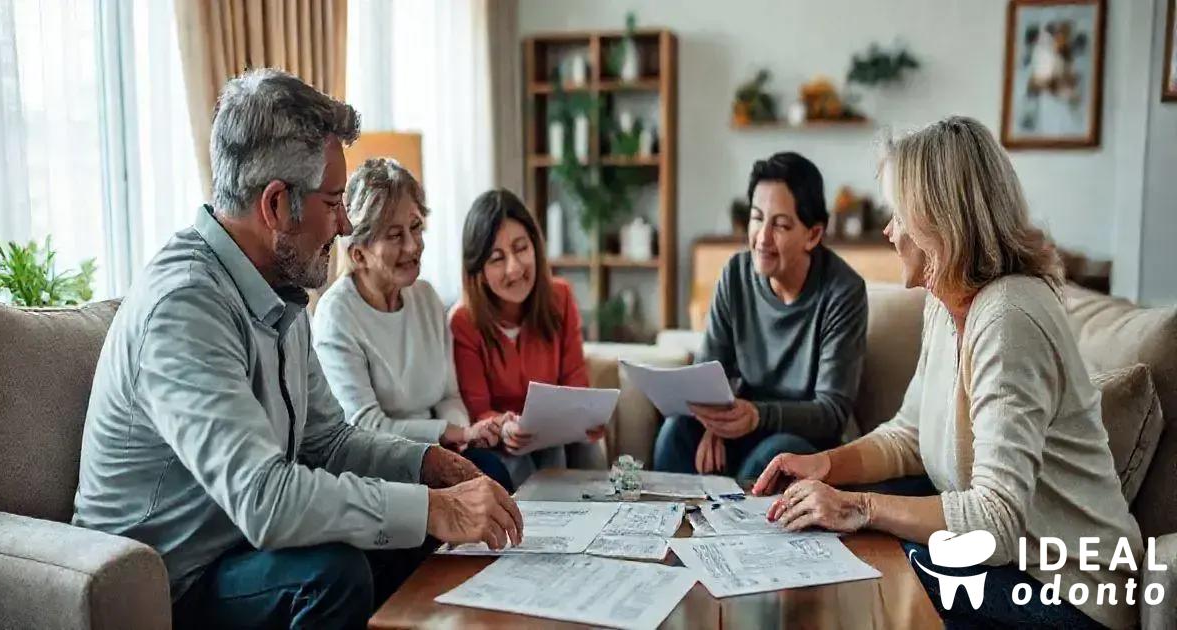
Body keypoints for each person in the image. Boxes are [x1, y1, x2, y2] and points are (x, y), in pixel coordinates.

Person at [71, 69, 523, 630]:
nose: (344, 222)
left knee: (409, 523)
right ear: (277, 204)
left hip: (240, 552)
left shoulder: (277, 291)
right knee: (336, 572)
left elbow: (328, 442)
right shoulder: (185, 306)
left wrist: (429, 466)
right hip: (172, 579)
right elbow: (263, 498)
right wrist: (433, 509)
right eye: (334, 201)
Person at [753, 117, 1140, 630]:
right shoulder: (946, 300)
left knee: (881, 563)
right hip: (1011, 568)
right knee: (867, 546)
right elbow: (909, 435)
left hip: (1070, 593)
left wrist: (859, 506)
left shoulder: (1008, 318)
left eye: (900, 213)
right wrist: (825, 465)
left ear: (942, 218)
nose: (889, 231)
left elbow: (997, 523)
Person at [652, 152, 868, 481]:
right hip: (742, 423)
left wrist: (757, 415)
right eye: (756, 218)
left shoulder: (843, 291)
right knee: (676, 433)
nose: (762, 238)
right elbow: (709, 373)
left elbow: (832, 412)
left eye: (780, 225)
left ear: (813, 235)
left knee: (773, 456)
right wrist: (715, 424)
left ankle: (730, 530)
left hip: (804, 439)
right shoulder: (736, 275)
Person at [312, 158, 513, 492]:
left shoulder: (426, 298)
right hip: (381, 469)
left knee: (496, 475)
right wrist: (452, 434)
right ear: (359, 254)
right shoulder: (337, 315)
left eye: (416, 227)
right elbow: (364, 426)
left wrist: (463, 438)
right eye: (395, 235)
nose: (413, 245)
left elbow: (449, 396)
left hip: (440, 452)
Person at [449, 189, 605, 487]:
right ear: (477, 270)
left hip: (555, 434)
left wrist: (588, 416)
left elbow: (575, 381)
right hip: (500, 441)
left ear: (535, 246)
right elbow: (478, 409)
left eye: (521, 248)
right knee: (532, 457)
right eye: (497, 258)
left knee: (577, 447)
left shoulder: (560, 297)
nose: (515, 268)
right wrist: (505, 425)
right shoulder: (463, 321)